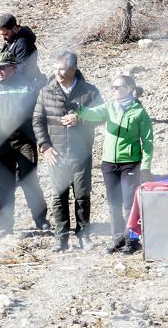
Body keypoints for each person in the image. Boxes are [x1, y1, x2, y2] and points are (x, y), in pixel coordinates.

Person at [64, 74, 153, 254]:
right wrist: (78, 109)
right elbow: (93, 113)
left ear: (129, 89)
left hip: (130, 163)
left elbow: (148, 141)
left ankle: (132, 241)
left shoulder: (139, 112)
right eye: (112, 86)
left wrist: (145, 166)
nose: (113, 90)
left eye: (117, 87)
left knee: (129, 205)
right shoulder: (110, 107)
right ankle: (117, 240)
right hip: (109, 164)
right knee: (114, 205)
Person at [33, 51, 102, 252]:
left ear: (73, 69)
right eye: (55, 68)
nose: (57, 73)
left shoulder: (89, 91)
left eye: (62, 69)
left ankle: (83, 236)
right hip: (56, 154)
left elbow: (102, 115)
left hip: (81, 153)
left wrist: (80, 119)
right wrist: (45, 146)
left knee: (82, 195)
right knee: (59, 196)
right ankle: (60, 238)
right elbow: (37, 121)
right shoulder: (46, 92)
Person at [0, 50, 50, 235]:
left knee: (29, 180)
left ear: (14, 68)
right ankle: (5, 224)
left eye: (3, 68)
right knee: (4, 184)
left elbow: (39, 114)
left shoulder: (27, 86)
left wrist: (42, 140)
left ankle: (40, 219)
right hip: (1, 143)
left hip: (25, 142)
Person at [0, 13, 46, 86]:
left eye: (5, 34)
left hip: (26, 88)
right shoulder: (11, 40)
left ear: (15, 28)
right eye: (1, 35)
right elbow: (5, 61)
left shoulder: (23, 44)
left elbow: (23, 72)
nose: (3, 38)